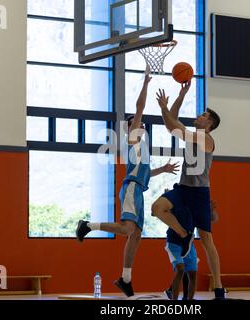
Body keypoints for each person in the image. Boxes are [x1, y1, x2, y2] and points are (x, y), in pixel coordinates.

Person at [75, 69, 180, 297]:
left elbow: (143, 172)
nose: (139, 123)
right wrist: (145, 82)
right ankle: (87, 226)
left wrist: (163, 169)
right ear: (131, 127)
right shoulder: (132, 137)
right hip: (131, 188)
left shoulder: (142, 146)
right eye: (134, 122)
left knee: (136, 235)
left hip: (138, 189)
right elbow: (140, 108)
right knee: (127, 229)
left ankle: (126, 279)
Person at [151, 82, 226, 299]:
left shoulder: (205, 138)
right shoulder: (194, 134)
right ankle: (184, 235)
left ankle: (219, 288)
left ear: (209, 123)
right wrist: (181, 94)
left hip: (200, 193)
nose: (199, 116)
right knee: (157, 208)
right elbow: (171, 124)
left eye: (204, 115)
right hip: (183, 189)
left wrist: (165, 108)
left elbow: (175, 126)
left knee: (207, 241)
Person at [165, 200, 219, 300]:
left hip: (188, 243)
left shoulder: (197, 207)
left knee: (192, 273)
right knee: (180, 268)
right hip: (174, 243)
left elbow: (213, 219)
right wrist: (167, 205)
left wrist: (211, 211)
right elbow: (155, 212)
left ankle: (187, 298)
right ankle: (174, 297)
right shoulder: (177, 201)